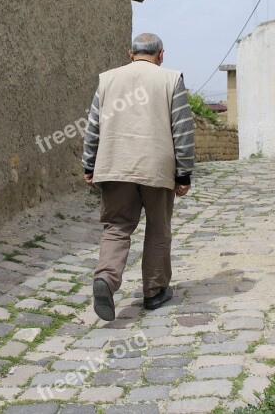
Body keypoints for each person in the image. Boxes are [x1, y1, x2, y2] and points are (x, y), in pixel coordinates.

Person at [82, 33, 195, 321]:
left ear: (130, 53)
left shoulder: (107, 79)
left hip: (114, 164)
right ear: (161, 55)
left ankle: (105, 279)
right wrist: (184, 173)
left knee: (116, 226)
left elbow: (93, 124)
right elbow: (182, 127)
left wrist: (89, 165)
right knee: (158, 228)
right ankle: (154, 292)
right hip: (156, 167)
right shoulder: (171, 78)